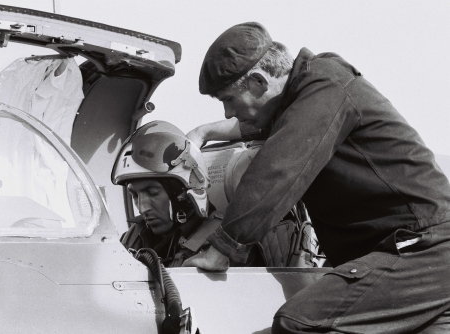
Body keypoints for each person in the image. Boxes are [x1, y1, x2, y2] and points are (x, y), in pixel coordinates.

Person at [183, 22, 450, 333]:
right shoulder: (311, 94)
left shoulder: (324, 87)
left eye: (227, 99)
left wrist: (223, 248)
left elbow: (277, 169)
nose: (228, 112)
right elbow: (264, 122)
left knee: (299, 322)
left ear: (258, 81)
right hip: (418, 258)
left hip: (419, 248)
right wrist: (204, 131)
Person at [112, 120, 264, 267]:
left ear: (182, 193)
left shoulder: (222, 245)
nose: (142, 208)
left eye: (152, 192)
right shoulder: (134, 237)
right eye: (135, 195)